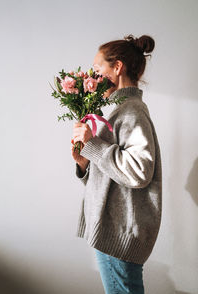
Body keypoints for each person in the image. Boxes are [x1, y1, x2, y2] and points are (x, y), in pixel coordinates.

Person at [71, 34, 162, 294]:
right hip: (113, 227)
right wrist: (83, 164)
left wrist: (95, 145)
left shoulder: (131, 111)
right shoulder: (119, 109)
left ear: (117, 67)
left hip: (118, 231)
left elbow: (139, 172)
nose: (93, 75)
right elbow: (113, 174)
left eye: (98, 68)